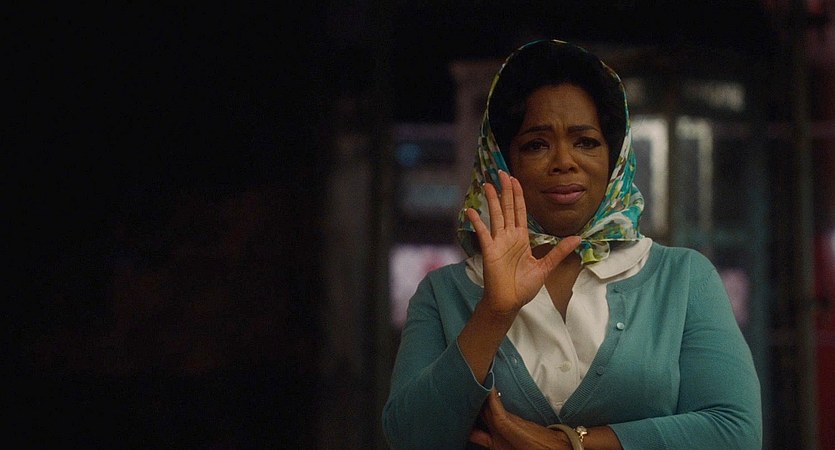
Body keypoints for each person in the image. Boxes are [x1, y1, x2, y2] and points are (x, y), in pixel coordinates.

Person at [382, 39, 762, 450]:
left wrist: (570, 445)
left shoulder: (683, 279)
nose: (564, 161)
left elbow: (735, 433)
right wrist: (494, 312)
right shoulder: (443, 295)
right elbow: (409, 438)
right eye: (536, 145)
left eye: (586, 142)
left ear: (615, 158)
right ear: (502, 162)